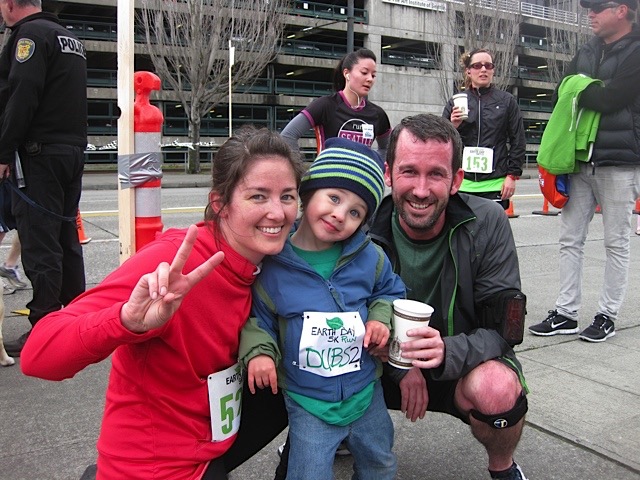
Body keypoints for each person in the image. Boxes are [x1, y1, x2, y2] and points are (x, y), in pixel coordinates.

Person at [21, 127, 305, 480]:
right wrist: (126, 320)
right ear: (220, 204)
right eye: (258, 197)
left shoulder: (274, 262)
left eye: (288, 196)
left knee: (305, 377)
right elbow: (39, 355)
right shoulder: (174, 264)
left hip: (210, 444)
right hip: (152, 466)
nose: (278, 213)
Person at [368, 114, 529, 480]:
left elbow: (505, 331)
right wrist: (401, 365)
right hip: (376, 368)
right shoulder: (361, 222)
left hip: (457, 365)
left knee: (498, 389)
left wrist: (445, 354)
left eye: (436, 174)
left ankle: (503, 468)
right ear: (388, 173)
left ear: (456, 179)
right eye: (409, 172)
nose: (421, 190)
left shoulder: (488, 220)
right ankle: (332, 428)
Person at [240, 138, 405, 479]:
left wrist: (380, 317)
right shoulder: (274, 265)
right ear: (307, 193)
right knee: (308, 473)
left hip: (364, 392)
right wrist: (259, 353)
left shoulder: (370, 257)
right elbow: (259, 319)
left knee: (380, 461)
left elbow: (390, 290)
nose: (340, 214)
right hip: (308, 401)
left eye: (356, 211)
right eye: (334, 198)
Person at [528, 0, 640, 342]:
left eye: (597, 7)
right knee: (569, 239)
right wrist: (584, 88)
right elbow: (564, 89)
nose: (589, 14)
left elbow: (612, 99)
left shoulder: (637, 52)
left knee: (616, 243)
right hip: (578, 159)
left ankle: (607, 314)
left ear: (621, 10)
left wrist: (582, 87)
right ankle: (566, 313)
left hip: (620, 160)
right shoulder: (588, 49)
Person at [0, 0, 88, 355]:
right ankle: (77, 313)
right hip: (70, 152)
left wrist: (3, 152)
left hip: (38, 155)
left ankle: (45, 327)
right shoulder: (69, 38)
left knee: (40, 239)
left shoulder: (30, 36)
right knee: (65, 234)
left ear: (9, 4)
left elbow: (22, 95)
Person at [442, 48, 526, 210]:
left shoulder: (506, 101)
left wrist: (512, 176)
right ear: (468, 71)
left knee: (491, 233)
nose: (483, 69)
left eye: (488, 65)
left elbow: (518, 140)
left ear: (493, 70)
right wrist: (453, 126)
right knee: (462, 232)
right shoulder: (456, 101)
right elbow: (440, 140)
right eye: (477, 66)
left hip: (495, 183)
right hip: (461, 182)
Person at [280, 48, 391, 158]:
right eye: (364, 72)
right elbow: (288, 136)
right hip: (327, 175)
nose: (370, 79)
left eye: (373, 75)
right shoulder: (325, 105)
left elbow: (389, 149)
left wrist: (376, 165)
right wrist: (300, 172)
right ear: (347, 73)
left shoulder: (378, 114)